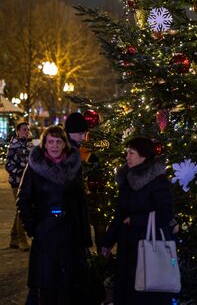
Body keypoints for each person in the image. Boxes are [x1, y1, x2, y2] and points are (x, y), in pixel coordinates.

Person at [17, 124, 92, 305]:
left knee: (69, 285)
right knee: (45, 284)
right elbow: (23, 199)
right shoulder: (35, 167)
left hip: (70, 234)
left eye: (58, 142)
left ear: (64, 144)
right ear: (44, 145)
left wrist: (84, 235)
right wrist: (34, 228)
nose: (54, 146)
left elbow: (80, 201)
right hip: (45, 235)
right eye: (50, 142)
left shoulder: (74, 168)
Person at [102, 137, 175, 305]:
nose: (127, 157)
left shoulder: (157, 181)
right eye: (127, 152)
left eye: (131, 153)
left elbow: (166, 213)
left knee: (145, 294)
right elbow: (120, 213)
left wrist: (135, 221)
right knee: (127, 292)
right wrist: (107, 241)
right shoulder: (127, 179)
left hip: (149, 246)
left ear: (143, 156)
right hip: (126, 248)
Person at [65, 111, 107, 253]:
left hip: (92, 196)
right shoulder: (67, 153)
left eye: (86, 134)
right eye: (82, 133)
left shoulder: (86, 152)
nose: (84, 137)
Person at [5, 120, 33, 251]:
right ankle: (22, 240)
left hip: (27, 181)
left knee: (19, 209)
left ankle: (14, 238)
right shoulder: (13, 146)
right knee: (21, 209)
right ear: (18, 131)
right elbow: (8, 165)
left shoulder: (29, 144)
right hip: (16, 181)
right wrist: (20, 172)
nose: (26, 132)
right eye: (24, 129)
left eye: (27, 129)